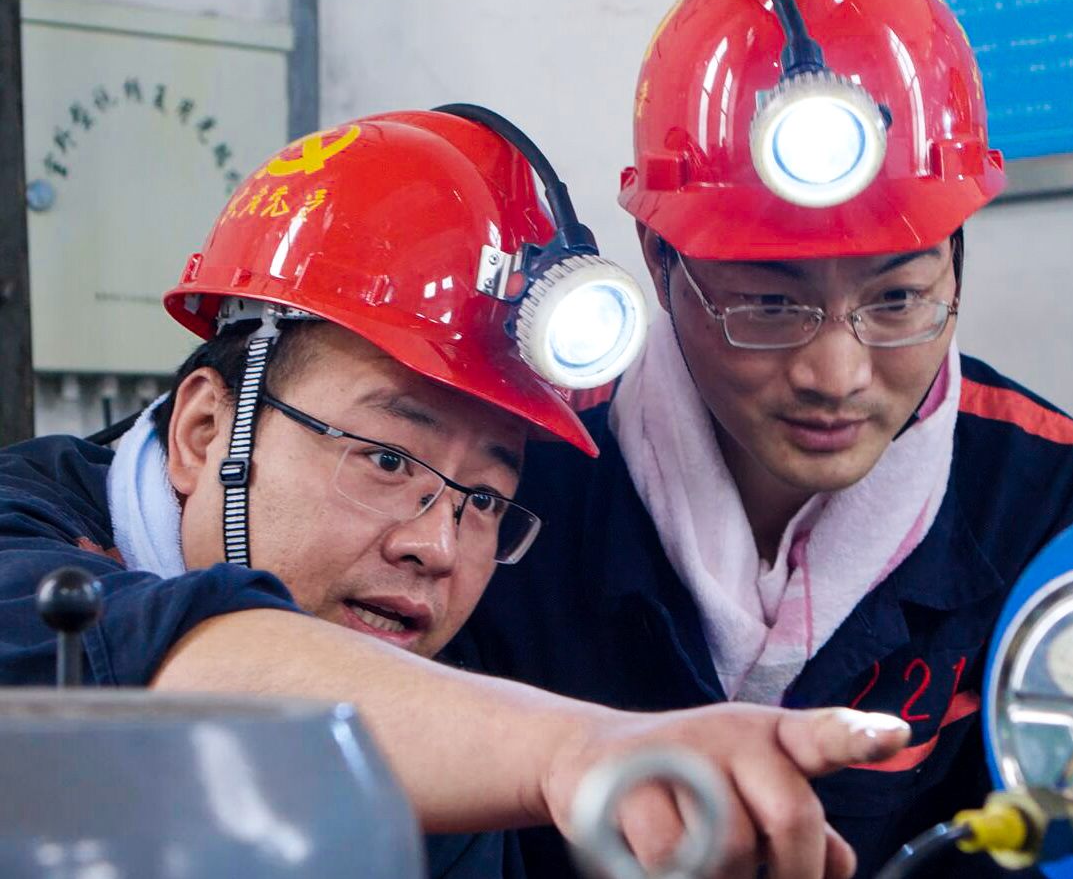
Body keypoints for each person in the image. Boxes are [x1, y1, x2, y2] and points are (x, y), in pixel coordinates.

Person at [0, 108, 911, 879]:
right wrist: (577, 750)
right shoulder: (23, 542)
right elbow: (180, 661)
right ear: (206, 432)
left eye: (484, 500)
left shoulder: (451, 744)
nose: (435, 547)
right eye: (388, 460)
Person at [460, 0, 1073, 877]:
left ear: (956, 260)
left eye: (897, 300)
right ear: (658, 260)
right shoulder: (535, 469)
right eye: (769, 306)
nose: (837, 376)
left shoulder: (1038, 487)